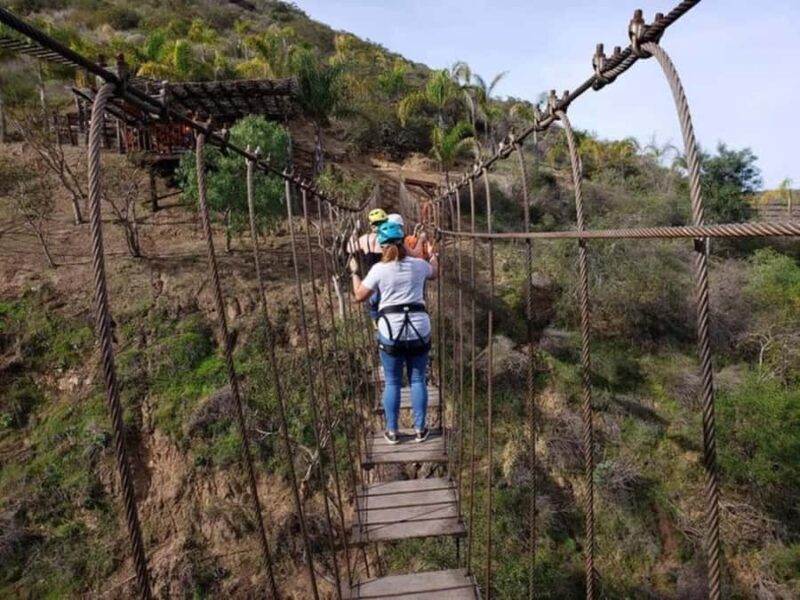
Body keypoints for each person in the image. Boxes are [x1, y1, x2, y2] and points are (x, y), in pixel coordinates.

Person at [350, 221, 438, 444]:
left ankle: (392, 431)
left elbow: (360, 295)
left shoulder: (378, 270)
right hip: (419, 328)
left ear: (381, 246)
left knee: (392, 381)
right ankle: (420, 429)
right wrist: (432, 254)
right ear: (402, 243)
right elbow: (434, 272)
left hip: (391, 330)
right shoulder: (418, 265)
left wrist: (354, 273)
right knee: (418, 379)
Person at [347, 208, 388, 322]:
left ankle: (377, 325)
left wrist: (355, 230)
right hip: (388, 281)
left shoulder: (365, 239)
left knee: (374, 306)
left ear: (371, 224)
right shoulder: (389, 238)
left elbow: (349, 248)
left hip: (371, 282)